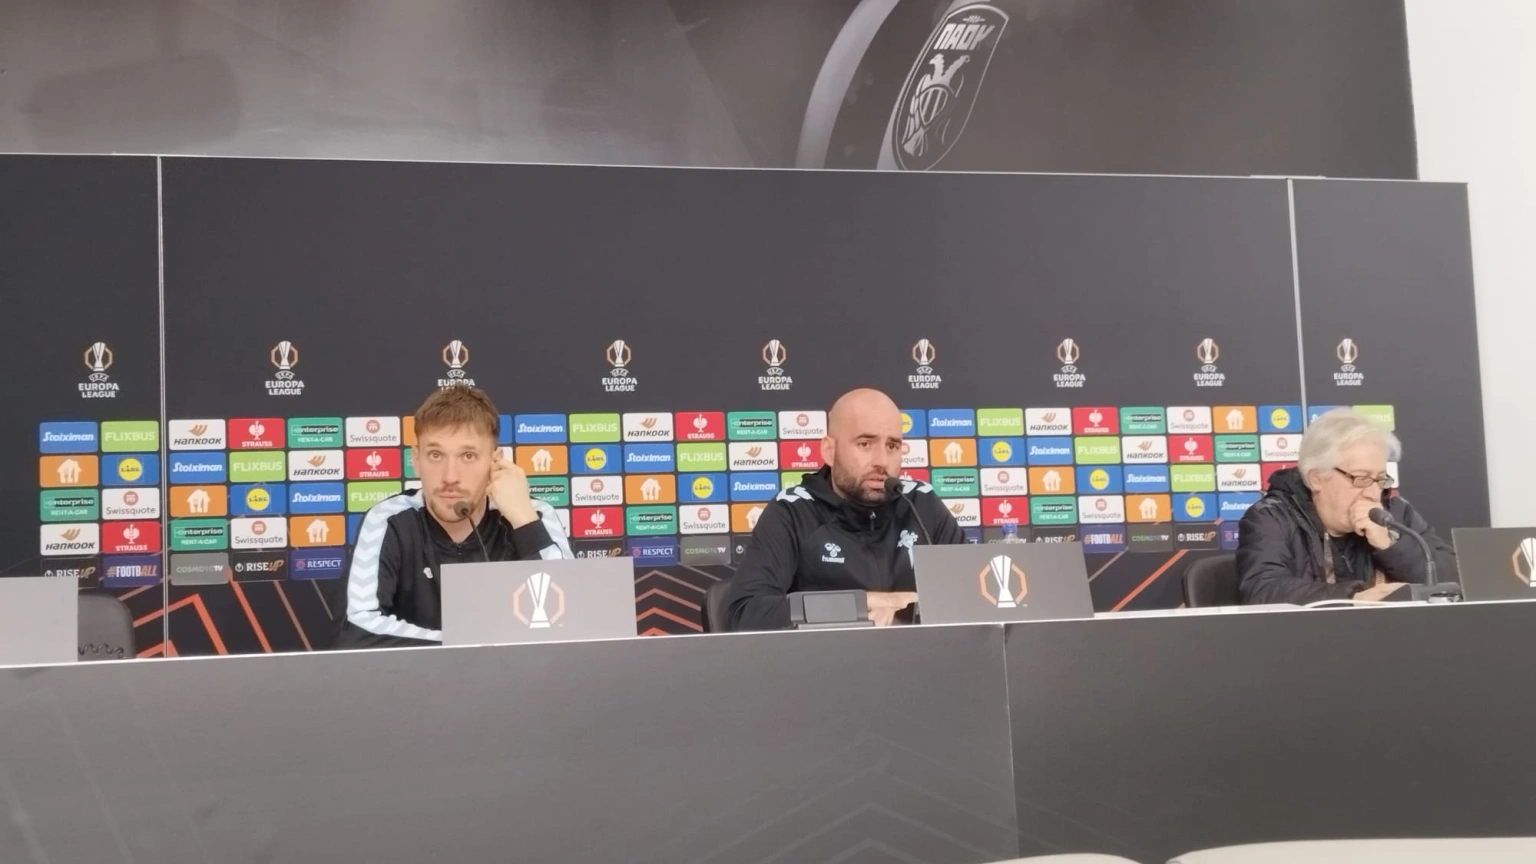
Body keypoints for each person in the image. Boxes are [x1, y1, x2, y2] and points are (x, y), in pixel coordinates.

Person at [332, 387, 572, 648]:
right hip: (417, 675)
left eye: (468, 456)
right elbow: (358, 627)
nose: (450, 477)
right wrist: (462, 646)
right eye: (436, 455)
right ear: (416, 459)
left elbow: (572, 619)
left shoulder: (534, 514)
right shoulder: (388, 520)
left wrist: (524, 521)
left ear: (495, 462)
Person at [728, 388, 966, 630]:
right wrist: (865, 604)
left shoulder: (920, 504)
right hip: (827, 654)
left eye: (892, 446)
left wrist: (907, 609)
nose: (882, 461)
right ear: (829, 451)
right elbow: (747, 613)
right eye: (865, 444)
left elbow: (975, 597)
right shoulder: (793, 512)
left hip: (918, 653)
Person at [1236, 408, 1455, 605]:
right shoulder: (1272, 517)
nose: (1373, 493)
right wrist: (1352, 597)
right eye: (1361, 478)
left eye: (1380, 479)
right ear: (1316, 478)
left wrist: (1390, 545)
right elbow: (1262, 591)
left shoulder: (1396, 514)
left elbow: (1457, 580)